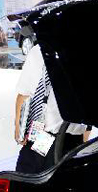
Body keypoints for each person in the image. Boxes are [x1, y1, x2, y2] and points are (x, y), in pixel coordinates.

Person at [14, 44, 89, 174]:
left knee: (41, 186)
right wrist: (19, 128)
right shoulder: (38, 51)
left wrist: (19, 130)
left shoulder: (42, 50)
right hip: (44, 137)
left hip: (58, 139)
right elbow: (24, 93)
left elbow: (24, 94)